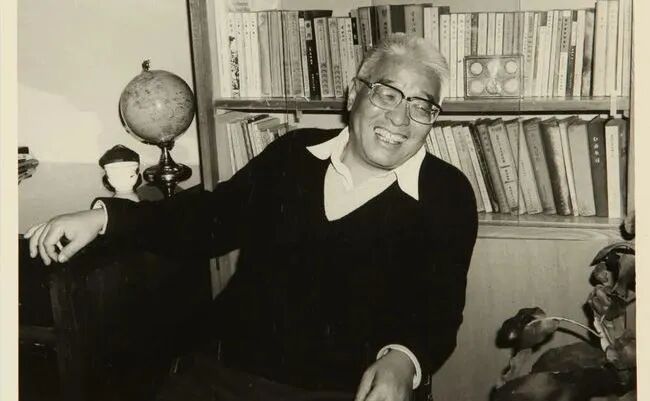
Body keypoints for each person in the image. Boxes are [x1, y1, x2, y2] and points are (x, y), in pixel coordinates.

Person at [26, 33, 478, 401]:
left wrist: (403, 359)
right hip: (227, 374)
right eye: (387, 94)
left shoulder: (446, 194)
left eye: (422, 106)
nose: (400, 118)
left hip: (345, 389)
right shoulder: (293, 155)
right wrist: (106, 218)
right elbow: (207, 221)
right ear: (355, 93)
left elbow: (439, 311)